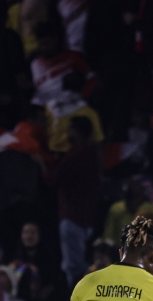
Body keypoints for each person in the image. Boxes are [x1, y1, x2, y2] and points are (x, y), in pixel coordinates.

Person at [45, 115, 100, 287]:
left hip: (73, 218)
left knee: (74, 267)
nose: (67, 133)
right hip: (87, 217)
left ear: (76, 131)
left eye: (69, 129)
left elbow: (53, 179)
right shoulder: (93, 154)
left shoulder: (77, 154)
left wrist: (42, 164)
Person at [45, 71, 104, 153]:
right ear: (82, 89)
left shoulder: (49, 105)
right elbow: (98, 141)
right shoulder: (89, 112)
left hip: (51, 151)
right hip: (74, 155)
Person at [102, 179, 153, 248]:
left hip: (142, 251)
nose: (133, 201)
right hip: (118, 251)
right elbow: (108, 236)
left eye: (136, 197)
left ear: (143, 197)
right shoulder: (116, 208)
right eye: (130, 197)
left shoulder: (150, 210)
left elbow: (152, 237)